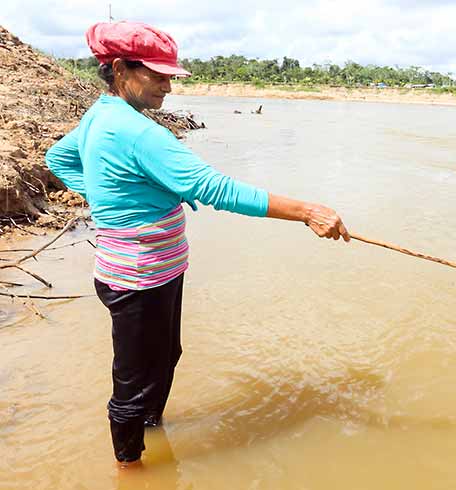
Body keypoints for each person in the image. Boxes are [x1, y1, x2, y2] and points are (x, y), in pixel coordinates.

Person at [45, 21, 350, 467]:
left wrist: (109, 195)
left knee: (167, 356)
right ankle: (130, 472)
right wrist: (307, 211)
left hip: (154, 270)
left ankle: (152, 427)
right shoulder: (136, 132)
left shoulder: (101, 115)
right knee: (133, 383)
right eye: (157, 74)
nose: (168, 86)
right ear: (118, 69)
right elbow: (216, 189)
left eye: (171, 76)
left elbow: (59, 158)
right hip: (138, 279)